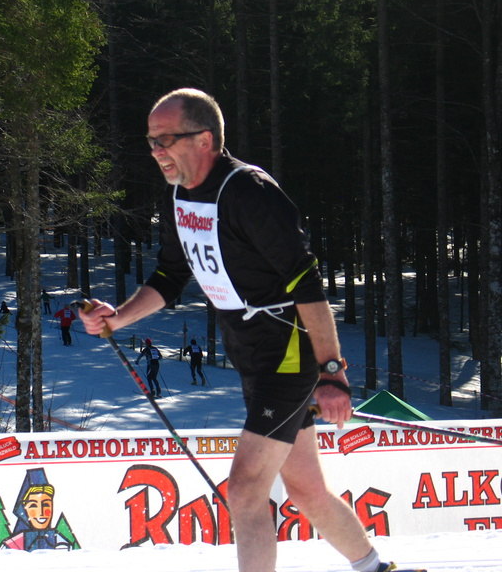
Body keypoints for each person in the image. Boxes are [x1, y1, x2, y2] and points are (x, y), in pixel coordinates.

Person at [79, 88, 394, 572]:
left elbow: (308, 286)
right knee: (307, 489)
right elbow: (170, 276)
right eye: (151, 141)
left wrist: (331, 371)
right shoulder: (180, 193)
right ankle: (375, 568)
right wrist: (117, 317)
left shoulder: (249, 192)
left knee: (245, 490)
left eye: (166, 140)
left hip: (287, 352)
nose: (156, 151)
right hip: (250, 354)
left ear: (204, 139)